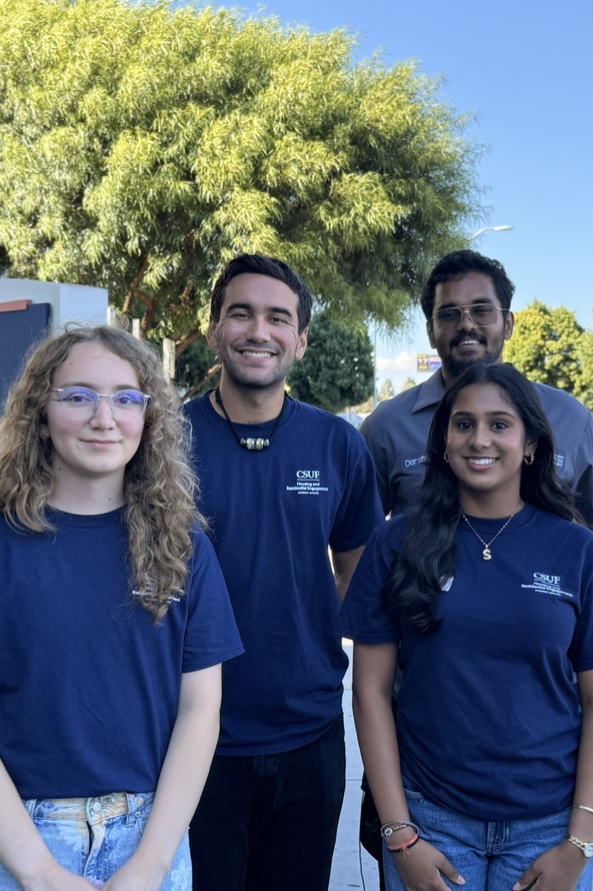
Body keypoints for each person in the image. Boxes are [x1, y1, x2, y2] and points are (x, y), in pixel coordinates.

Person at [0, 324, 244, 890]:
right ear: (41, 412)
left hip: (150, 837)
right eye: (78, 396)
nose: (104, 418)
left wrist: (151, 865)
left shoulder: (182, 546)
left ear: (148, 417)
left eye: (126, 398)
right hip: (13, 839)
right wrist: (40, 872)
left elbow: (200, 711)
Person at [341, 363, 593, 891]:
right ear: (442, 441)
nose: (478, 439)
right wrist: (400, 835)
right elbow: (369, 694)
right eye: (463, 424)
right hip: (431, 820)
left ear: (530, 441)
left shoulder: (578, 551)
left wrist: (578, 843)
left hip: (548, 828)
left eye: (499, 424)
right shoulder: (396, 544)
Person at [184, 254, 384, 890]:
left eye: (278, 318)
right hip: (190, 737)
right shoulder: (164, 441)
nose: (258, 331)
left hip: (308, 735)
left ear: (300, 339)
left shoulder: (337, 444)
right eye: (240, 313)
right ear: (215, 328)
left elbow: (358, 581)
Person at [359, 250, 593, 567]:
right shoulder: (387, 426)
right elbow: (358, 542)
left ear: (508, 323)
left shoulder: (571, 418)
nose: (466, 324)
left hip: (541, 614)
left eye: (482, 310)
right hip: (420, 613)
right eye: (449, 314)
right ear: (431, 332)